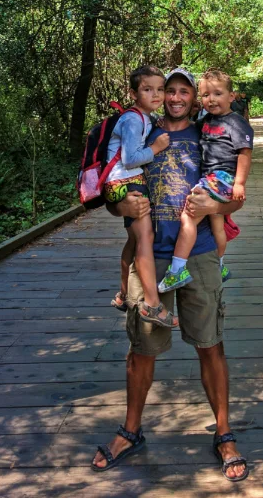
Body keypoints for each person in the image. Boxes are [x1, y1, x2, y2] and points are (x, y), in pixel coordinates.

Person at [91, 68, 249, 482]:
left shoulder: (209, 134)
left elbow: (233, 199)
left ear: (195, 98)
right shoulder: (138, 128)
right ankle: (131, 430)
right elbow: (113, 189)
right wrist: (119, 208)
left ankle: (223, 432)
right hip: (150, 258)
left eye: (183, 92)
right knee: (141, 348)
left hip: (198, 256)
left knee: (210, 345)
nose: (175, 97)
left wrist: (214, 208)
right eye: (169, 91)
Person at [157, 68, 254, 293]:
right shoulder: (206, 120)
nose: (211, 100)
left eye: (218, 94)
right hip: (213, 177)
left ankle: (177, 269)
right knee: (216, 222)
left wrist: (239, 183)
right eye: (206, 95)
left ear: (231, 96)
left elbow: (244, 153)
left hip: (220, 177)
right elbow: (195, 129)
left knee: (188, 216)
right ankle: (220, 264)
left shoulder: (236, 123)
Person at [104, 65, 174, 329]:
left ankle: (123, 294)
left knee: (134, 240)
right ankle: (153, 304)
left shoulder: (142, 117)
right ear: (133, 93)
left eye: (160, 89)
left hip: (120, 181)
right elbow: (130, 159)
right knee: (146, 237)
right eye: (148, 89)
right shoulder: (134, 119)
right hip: (127, 182)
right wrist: (155, 148)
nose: (155, 95)